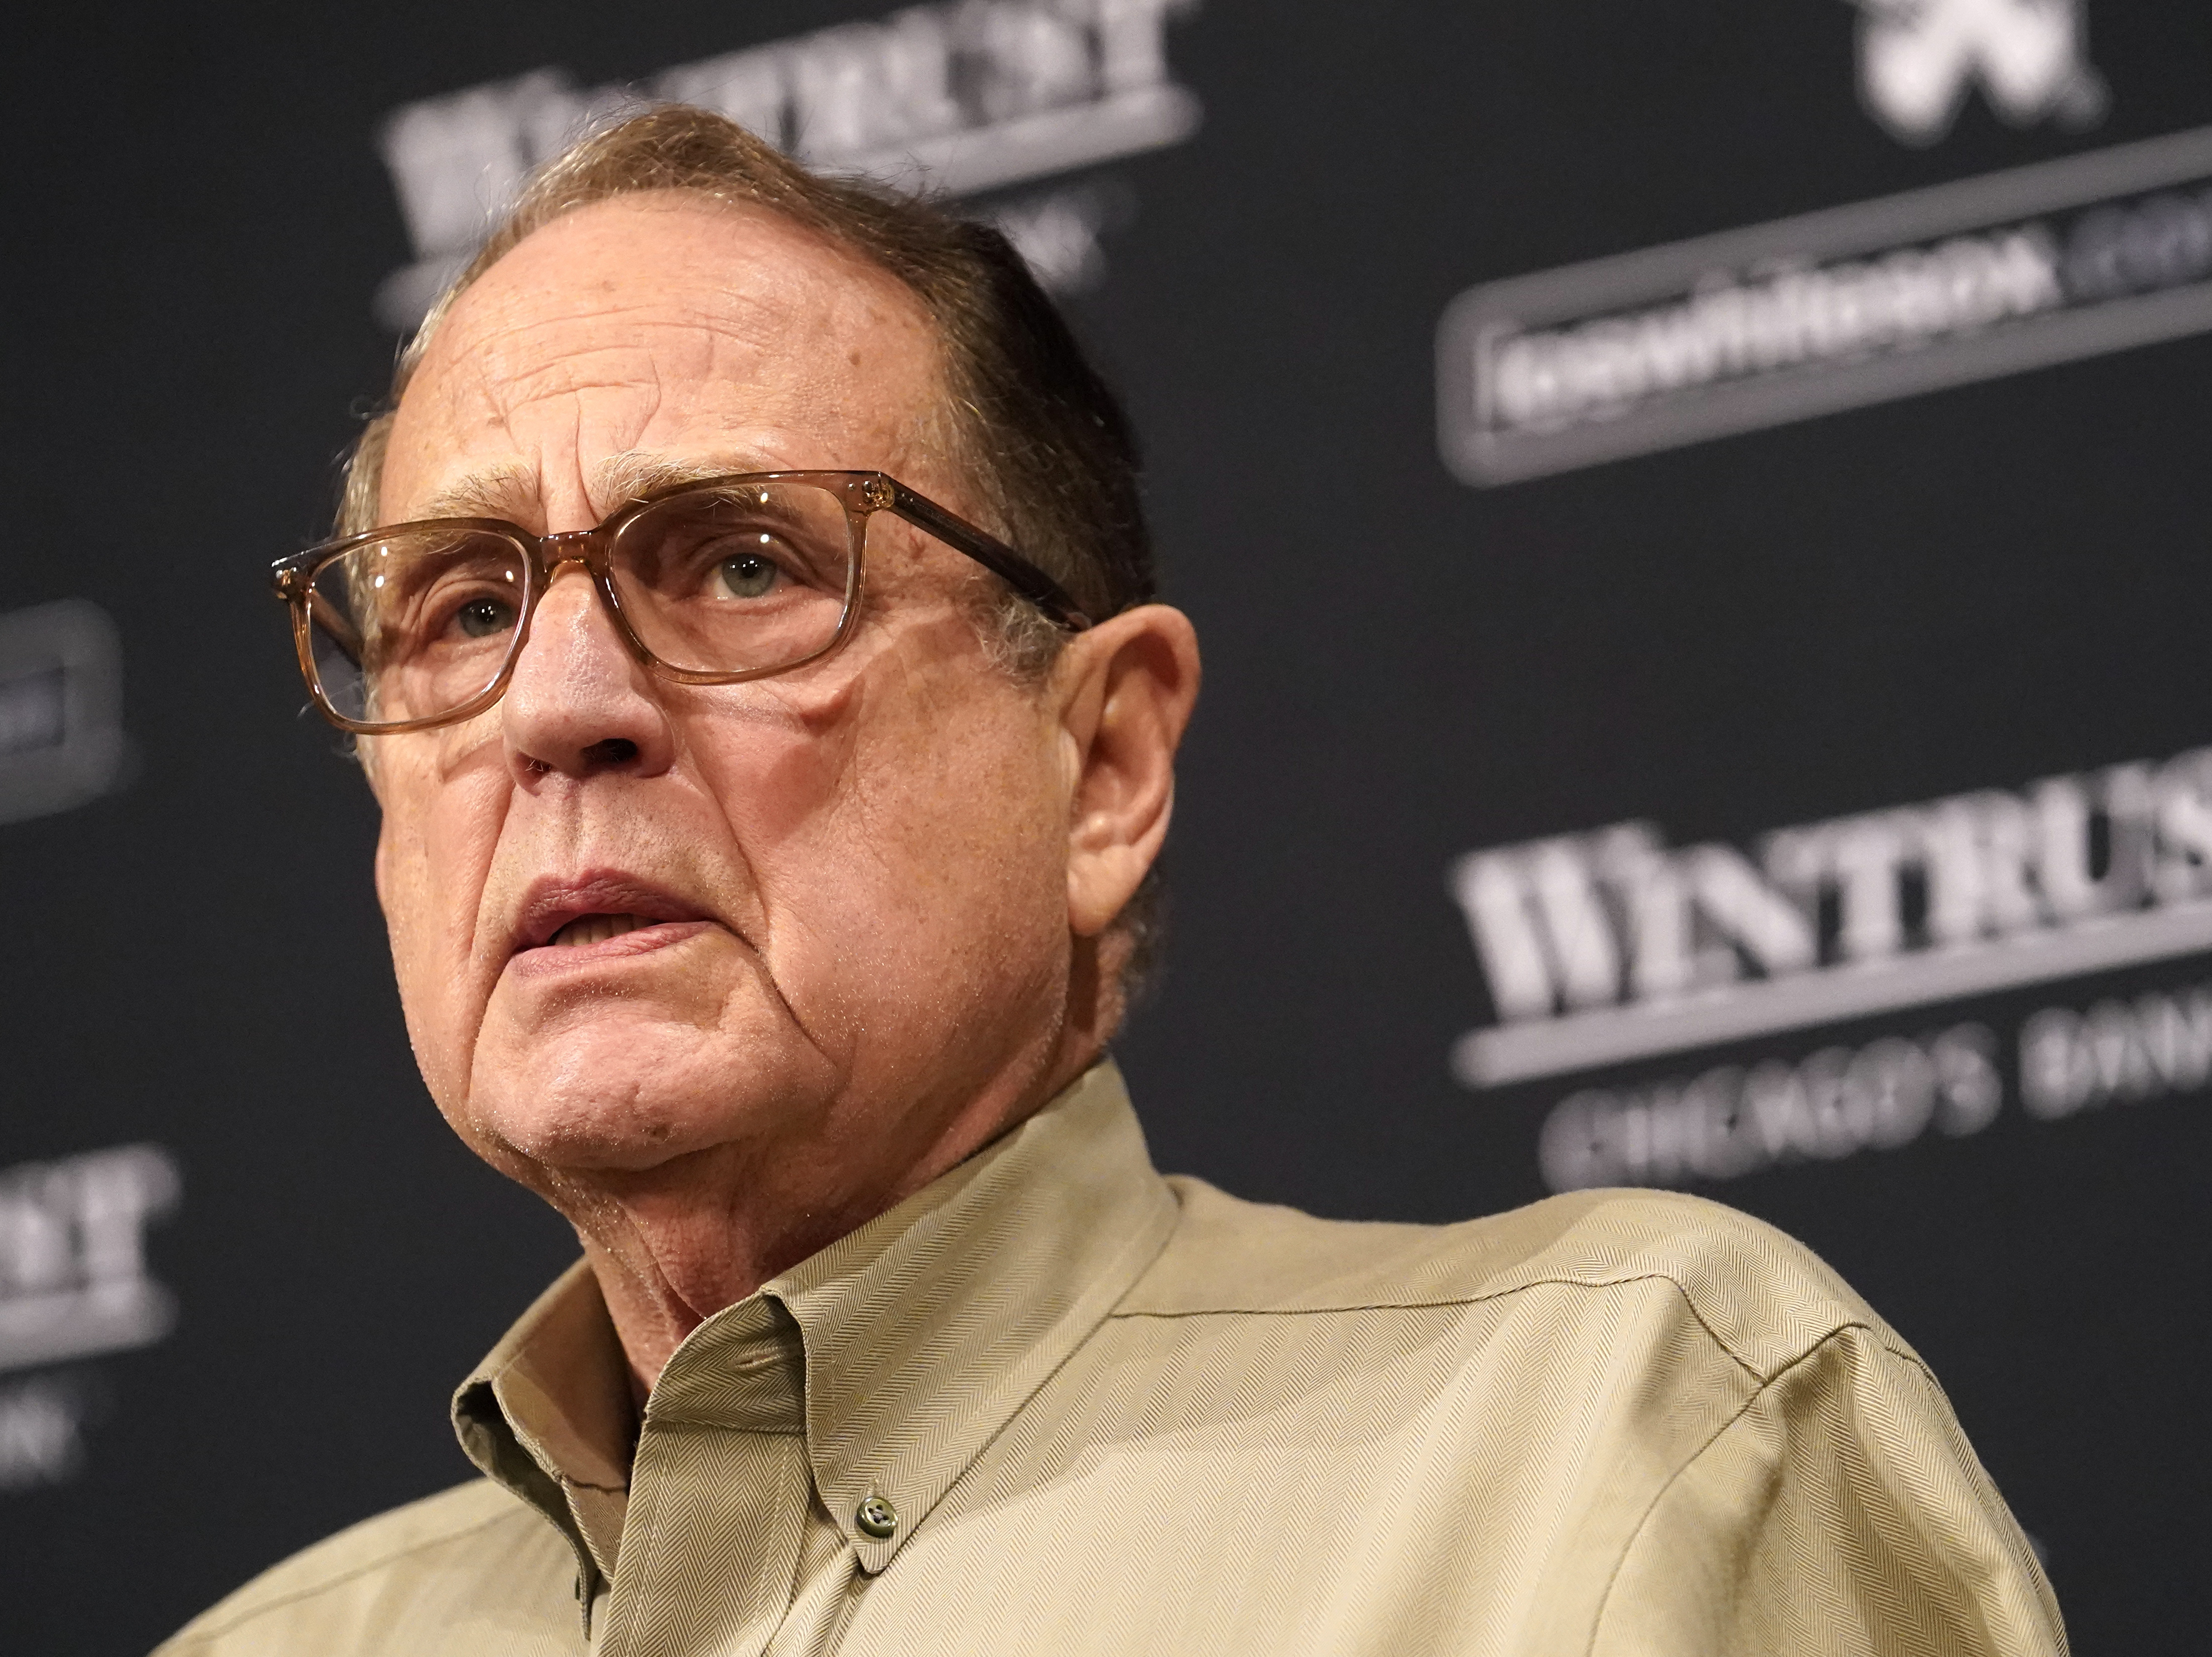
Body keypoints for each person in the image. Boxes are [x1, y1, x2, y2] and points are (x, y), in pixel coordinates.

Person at [160, 106, 2067, 1656]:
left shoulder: (1626, 1443)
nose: (560, 707)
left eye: (741, 564)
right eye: (466, 606)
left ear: (1107, 763)